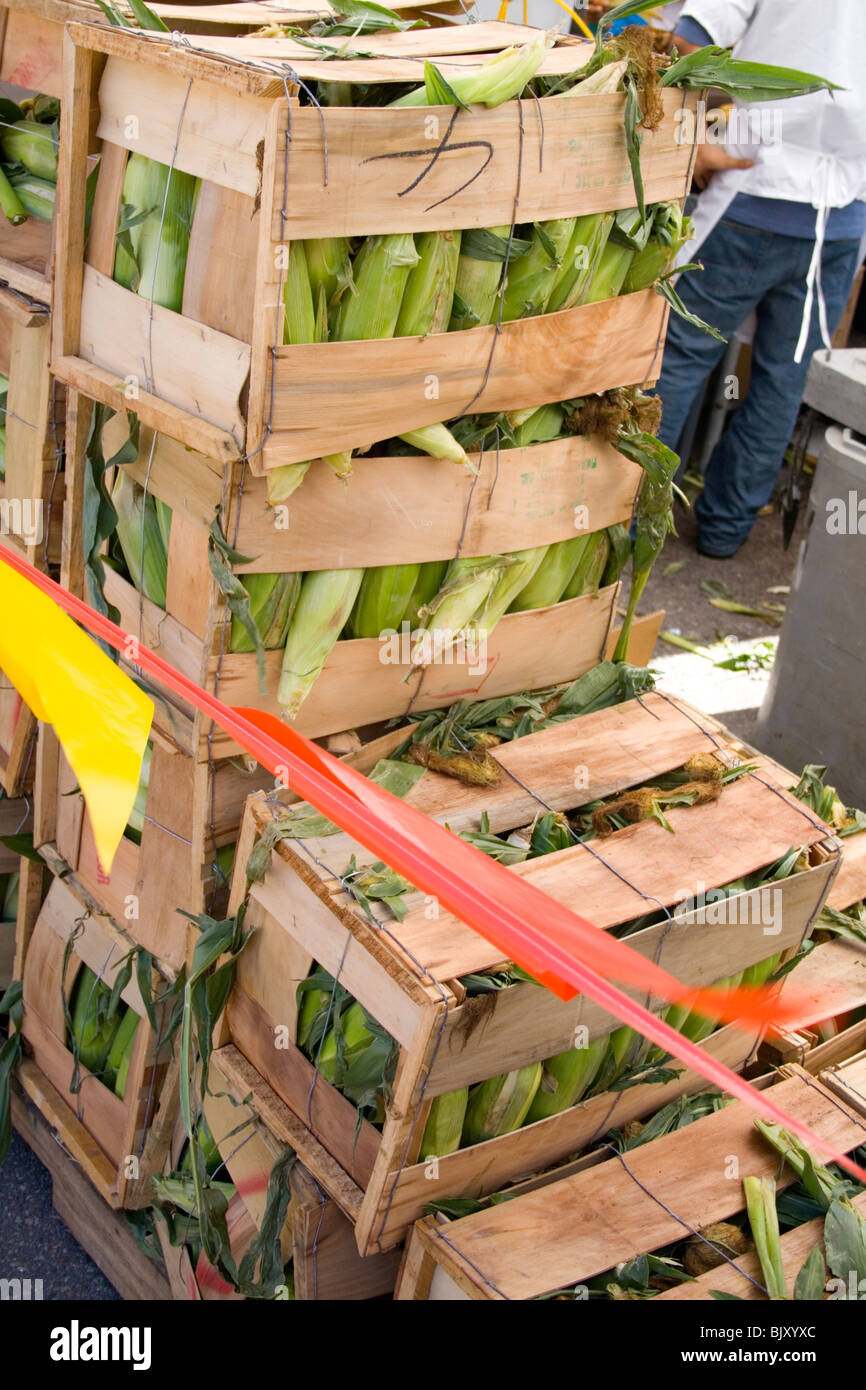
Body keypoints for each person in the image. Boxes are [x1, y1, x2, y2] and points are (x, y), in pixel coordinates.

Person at [654, 1, 866, 557]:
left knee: (676, 357)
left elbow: (692, 36)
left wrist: (694, 130)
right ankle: (725, 532)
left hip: (752, 188)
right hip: (841, 211)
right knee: (783, 383)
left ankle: (628, 528)